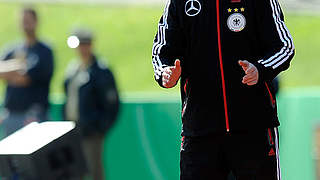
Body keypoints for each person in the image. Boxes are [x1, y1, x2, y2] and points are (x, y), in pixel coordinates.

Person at [152, 0, 295, 179]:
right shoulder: (179, 3)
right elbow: (161, 52)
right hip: (200, 131)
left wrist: (260, 69)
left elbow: (284, 47)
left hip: (254, 128)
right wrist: (165, 73)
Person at [64, 28, 119, 180]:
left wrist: (98, 127)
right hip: (73, 130)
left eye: (85, 44)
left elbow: (112, 104)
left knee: (94, 171)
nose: (82, 49)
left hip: (91, 132)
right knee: (75, 172)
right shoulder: (73, 69)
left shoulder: (101, 71)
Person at [0, 7, 54, 137]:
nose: (25, 25)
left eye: (28, 20)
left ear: (36, 22)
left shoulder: (44, 51)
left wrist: (11, 74)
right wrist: (19, 66)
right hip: (11, 114)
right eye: (23, 21)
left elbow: (26, 78)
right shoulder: (12, 49)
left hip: (34, 115)